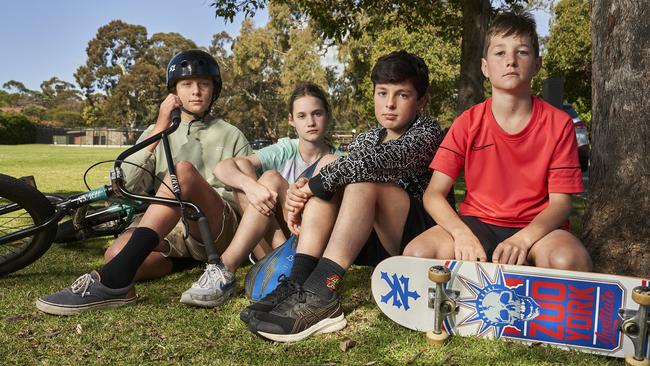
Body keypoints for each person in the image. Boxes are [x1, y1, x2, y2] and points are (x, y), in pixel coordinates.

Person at [245, 50, 445, 342]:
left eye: (402, 95)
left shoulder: (427, 132)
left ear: (421, 101)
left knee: (356, 180)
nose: (389, 104)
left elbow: (376, 164)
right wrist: (306, 191)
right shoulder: (367, 137)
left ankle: (323, 291)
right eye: (382, 93)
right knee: (329, 165)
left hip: (412, 237)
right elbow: (341, 172)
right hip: (369, 237)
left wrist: (308, 188)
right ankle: (299, 280)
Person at [36, 49, 252, 315]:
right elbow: (126, 184)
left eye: (203, 84)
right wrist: (159, 128)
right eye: (187, 84)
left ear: (213, 90)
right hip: (171, 227)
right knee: (115, 255)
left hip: (216, 226)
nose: (196, 91)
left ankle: (111, 282)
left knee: (181, 172)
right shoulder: (158, 129)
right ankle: (165, 268)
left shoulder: (231, 133)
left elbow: (247, 193)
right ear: (173, 91)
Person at [403, 12, 592, 272]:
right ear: (484, 66)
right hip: (477, 223)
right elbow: (433, 195)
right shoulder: (468, 122)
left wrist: (523, 240)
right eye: (500, 53)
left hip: (538, 229)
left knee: (570, 260)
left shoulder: (558, 123)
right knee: (417, 253)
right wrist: (461, 233)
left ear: (537, 64)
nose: (511, 61)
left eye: (522, 52)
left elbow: (561, 204)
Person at [199, 82, 339, 307]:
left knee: (271, 178)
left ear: (327, 115)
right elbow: (223, 168)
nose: (310, 122)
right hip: (280, 232)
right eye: (302, 116)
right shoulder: (286, 149)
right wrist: (250, 187)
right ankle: (234, 267)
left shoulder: (338, 158)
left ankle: (233, 265)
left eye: (317, 113)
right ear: (291, 120)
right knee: (251, 174)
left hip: (311, 237)